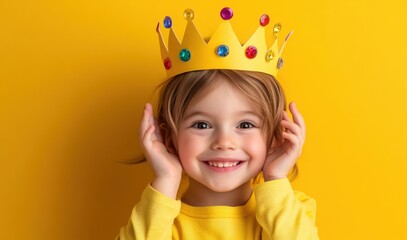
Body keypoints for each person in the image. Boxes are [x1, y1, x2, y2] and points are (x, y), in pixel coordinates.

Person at [117, 7, 319, 240]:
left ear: (275, 136)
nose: (224, 142)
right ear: (170, 138)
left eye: (245, 125)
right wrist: (166, 180)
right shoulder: (159, 221)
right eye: (202, 125)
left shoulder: (289, 209)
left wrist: (275, 178)